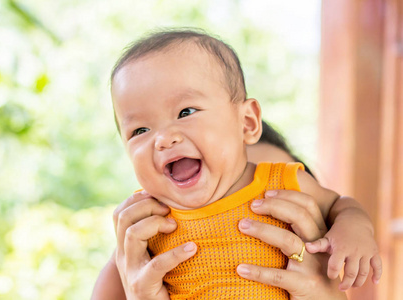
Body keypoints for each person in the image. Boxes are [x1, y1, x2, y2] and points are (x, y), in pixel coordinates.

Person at [96, 28, 382, 299]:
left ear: (246, 123)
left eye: (186, 112)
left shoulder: (283, 182)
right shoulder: (141, 225)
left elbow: (340, 206)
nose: (163, 138)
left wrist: (355, 229)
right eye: (140, 131)